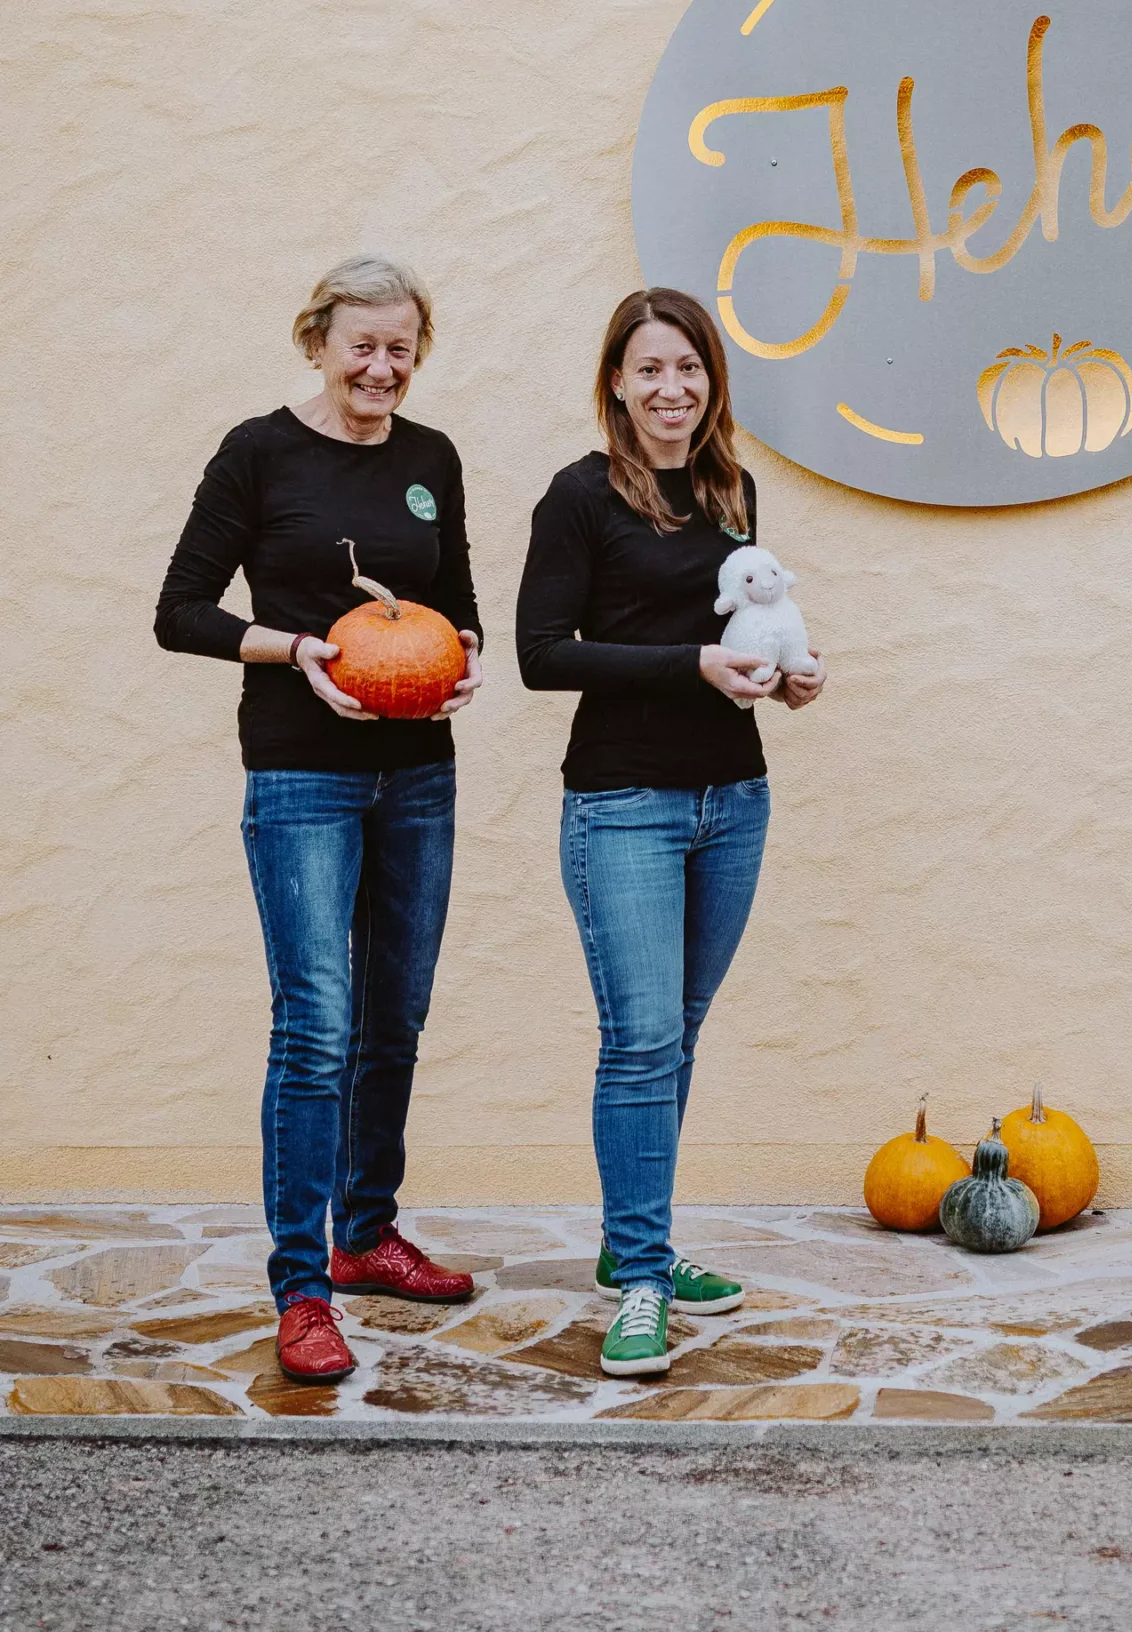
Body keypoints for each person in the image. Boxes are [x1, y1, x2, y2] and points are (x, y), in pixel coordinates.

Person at [155, 256, 484, 1381]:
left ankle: (367, 1232)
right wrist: (298, 648)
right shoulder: (259, 452)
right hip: (302, 773)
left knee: (396, 1017)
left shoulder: (431, 459)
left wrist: (460, 656)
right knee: (315, 1028)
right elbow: (181, 611)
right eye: (362, 346)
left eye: (401, 349)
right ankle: (302, 1288)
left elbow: (458, 604)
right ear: (318, 343)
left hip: (418, 772)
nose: (382, 368)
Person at [516, 287, 826, 1378]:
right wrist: (686, 664)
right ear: (616, 381)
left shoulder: (732, 488)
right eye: (649, 368)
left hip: (731, 798)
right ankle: (643, 1277)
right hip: (623, 805)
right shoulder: (579, 496)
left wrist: (790, 672)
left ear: (711, 380)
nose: (671, 388)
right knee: (641, 1042)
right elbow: (541, 653)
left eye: (688, 367)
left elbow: (749, 624)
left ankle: (629, 1242)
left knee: (677, 1035)